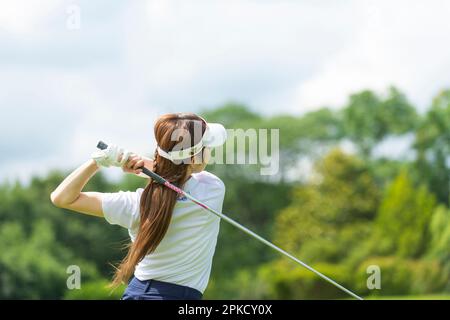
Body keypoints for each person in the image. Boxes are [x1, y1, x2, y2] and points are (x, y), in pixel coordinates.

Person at [50, 113, 227, 300]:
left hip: (140, 293)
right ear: (192, 159)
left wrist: (98, 162)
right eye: (207, 147)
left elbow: (61, 198)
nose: (210, 151)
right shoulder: (212, 189)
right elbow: (171, 174)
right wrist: (142, 167)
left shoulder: (135, 204)